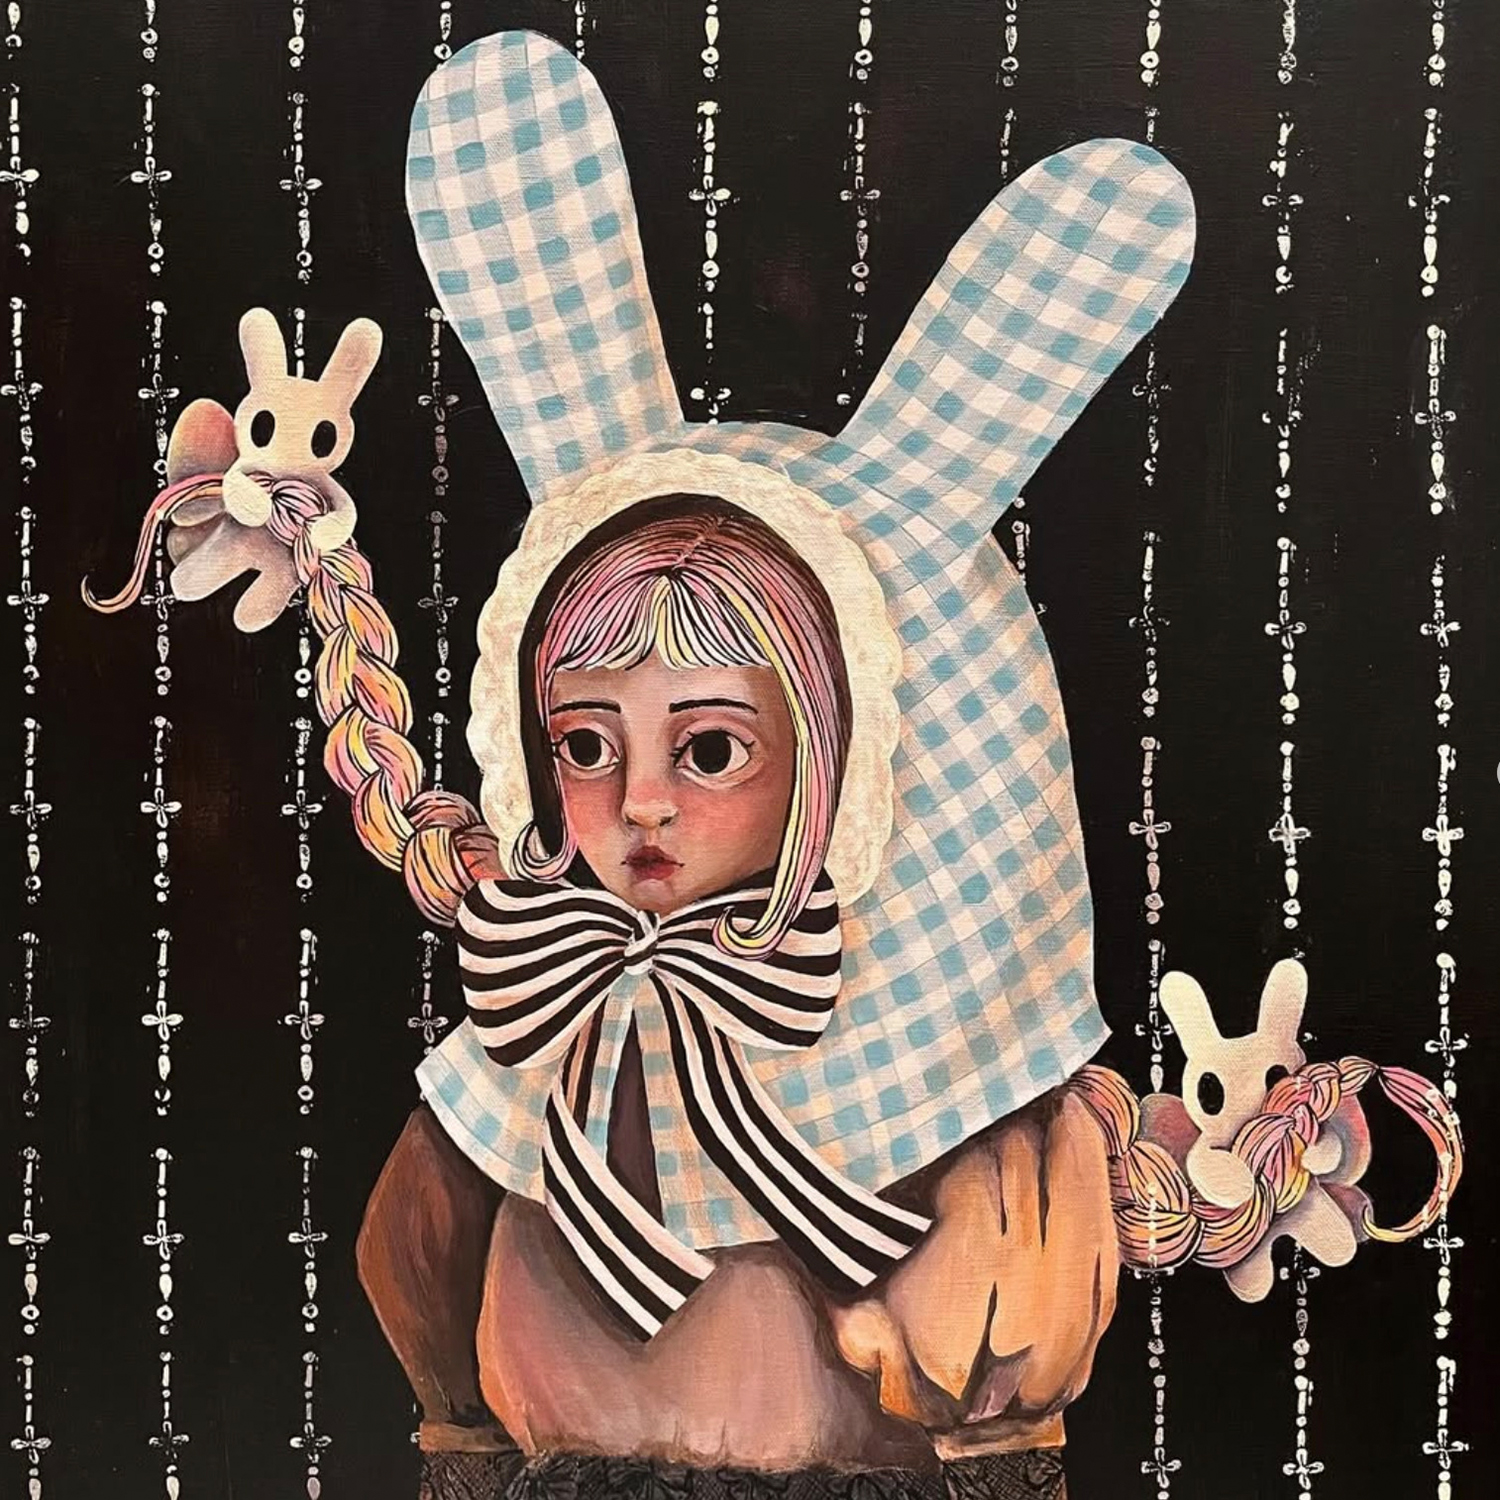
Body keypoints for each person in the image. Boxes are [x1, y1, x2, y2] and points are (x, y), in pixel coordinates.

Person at [352, 492, 1118, 1500]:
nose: (641, 802)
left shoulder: (918, 1077)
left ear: (825, 761)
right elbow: (428, 1311)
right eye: (586, 746)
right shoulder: (540, 1024)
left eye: (711, 750)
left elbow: (999, 1384)